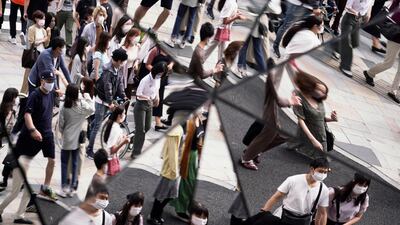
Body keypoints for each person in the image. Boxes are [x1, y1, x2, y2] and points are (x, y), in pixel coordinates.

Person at [239, 67, 302, 171]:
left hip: (273, 102)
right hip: (271, 105)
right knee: (270, 131)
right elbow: (277, 98)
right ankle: (246, 158)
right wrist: (290, 101)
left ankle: (254, 151)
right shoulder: (275, 71)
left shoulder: (287, 65)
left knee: (283, 135)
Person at [14, 71, 62, 203]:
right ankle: (13, 180)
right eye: (48, 81)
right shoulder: (35, 95)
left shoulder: (51, 93)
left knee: (52, 161)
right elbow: (27, 115)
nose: (50, 84)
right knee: (22, 159)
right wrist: (33, 130)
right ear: (42, 81)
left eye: (52, 81)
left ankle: (45, 188)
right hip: (33, 134)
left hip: (47, 133)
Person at [260, 158, 330, 225]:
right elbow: (277, 196)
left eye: (325, 172)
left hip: (302, 220)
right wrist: (265, 210)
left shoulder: (324, 190)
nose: (323, 174)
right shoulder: (293, 180)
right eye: (320, 171)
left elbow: (322, 213)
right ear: (312, 169)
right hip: (283, 215)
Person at [86, 48, 128, 159]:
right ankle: (89, 149)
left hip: (108, 100)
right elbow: (107, 87)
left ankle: (90, 122)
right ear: (119, 61)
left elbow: (119, 84)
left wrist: (123, 95)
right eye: (123, 61)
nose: (123, 64)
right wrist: (111, 102)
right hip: (102, 100)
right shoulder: (108, 70)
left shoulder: (117, 69)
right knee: (97, 126)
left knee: (97, 121)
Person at [290, 71, 338, 159]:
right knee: (321, 161)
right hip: (309, 132)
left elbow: (319, 118)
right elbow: (301, 120)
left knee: (322, 159)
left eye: (325, 92)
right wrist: (313, 140)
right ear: (311, 87)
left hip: (321, 134)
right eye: (321, 91)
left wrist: (332, 119)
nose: (324, 94)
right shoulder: (299, 97)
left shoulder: (319, 100)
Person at [59, 84, 95, 197]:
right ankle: (73, 188)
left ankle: (64, 188)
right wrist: (87, 97)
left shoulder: (64, 107)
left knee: (64, 164)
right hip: (78, 139)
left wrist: (64, 132)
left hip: (67, 139)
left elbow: (60, 125)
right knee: (75, 163)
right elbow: (92, 109)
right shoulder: (82, 106)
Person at [363, 0, 400, 103]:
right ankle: (370, 73)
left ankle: (393, 91)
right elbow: (394, 14)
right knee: (388, 63)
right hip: (396, 36)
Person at [170, 114, 206, 221]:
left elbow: (200, 139)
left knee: (191, 183)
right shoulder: (186, 120)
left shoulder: (199, 118)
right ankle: (180, 209)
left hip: (194, 154)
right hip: (187, 155)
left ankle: (185, 206)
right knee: (187, 183)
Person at [148, 125, 184, 225]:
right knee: (162, 194)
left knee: (169, 194)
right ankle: (153, 215)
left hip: (174, 167)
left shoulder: (180, 126)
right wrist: (174, 171)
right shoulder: (176, 129)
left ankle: (157, 214)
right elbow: (172, 152)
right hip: (171, 169)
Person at [132, 62, 168, 157]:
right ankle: (136, 153)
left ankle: (132, 139)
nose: (160, 76)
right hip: (141, 105)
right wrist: (147, 97)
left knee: (147, 127)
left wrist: (158, 98)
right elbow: (138, 94)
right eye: (159, 73)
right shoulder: (145, 80)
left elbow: (157, 90)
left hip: (150, 105)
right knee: (141, 130)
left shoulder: (158, 79)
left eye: (162, 74)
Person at [337, 0, 374, 77]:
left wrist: (368, 14)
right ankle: (345, 66)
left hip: (359, 21)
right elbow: (347, 6)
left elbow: (370, 4)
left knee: (355, 43)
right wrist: (356, 13)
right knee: (347, 43)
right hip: (349, 19)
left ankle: (336, 46)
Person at [0, 88, 19, 190]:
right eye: (15, 97)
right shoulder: (7, 109)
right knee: (11, 157)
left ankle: (6, 179)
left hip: (8, 137)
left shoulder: (8, 108)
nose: (16, 99)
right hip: (6, 136)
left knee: (11, 157)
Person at [103, 105, 130, 175]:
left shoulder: (114, 125)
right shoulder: (116, 129)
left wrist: (122, 138)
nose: (125, 115)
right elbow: (112, 151)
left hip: (113, 159)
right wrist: (124, 142)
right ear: (119, 115)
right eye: (124, 113)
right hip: (111, 160)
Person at [121, 28, 141, 102]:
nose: (137, 38)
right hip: (123, 72)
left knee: (128, 94)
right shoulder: (123, 48)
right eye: (135, 36)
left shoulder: (137, 47)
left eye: (138, 36)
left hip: (131, 72)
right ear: (129, 37)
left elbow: (138, 58)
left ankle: (124, 112)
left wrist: (136, 63)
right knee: (121, 92)